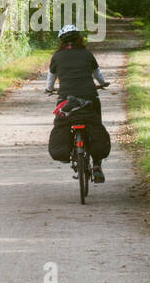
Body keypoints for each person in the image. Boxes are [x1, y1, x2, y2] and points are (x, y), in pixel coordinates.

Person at [45, 23, 110, 181]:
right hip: (89, 98)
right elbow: (98, 74)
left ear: (61, 41)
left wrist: (49, 89)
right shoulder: (87, 54)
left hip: (66, 100)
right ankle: (96, 165)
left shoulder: (57, 57)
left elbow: (50, 79)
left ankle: (66, 151)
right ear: (79, 39)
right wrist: (102, 83)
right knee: (95, 122)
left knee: (63, 122)